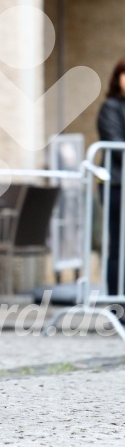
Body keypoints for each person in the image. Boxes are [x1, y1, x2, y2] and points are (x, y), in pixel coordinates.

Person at [97, 59, 125, 318]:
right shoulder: (111, 107)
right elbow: (116, 144)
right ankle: (119, 308)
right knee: (119, 244)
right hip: (118, 186)